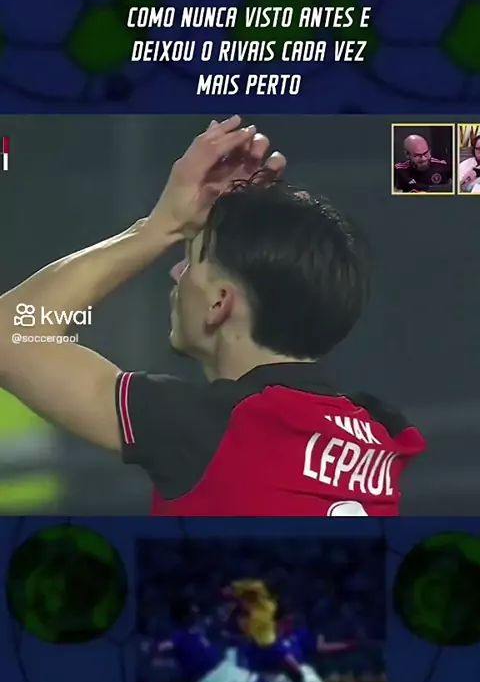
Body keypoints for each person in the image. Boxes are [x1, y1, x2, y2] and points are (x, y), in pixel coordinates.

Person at [0, 116, 426, 516]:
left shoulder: (212, 430)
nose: (176, 272)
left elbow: (11, 335)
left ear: (220, 303)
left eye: (193, 259)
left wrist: (161, 226)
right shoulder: (378, 431)